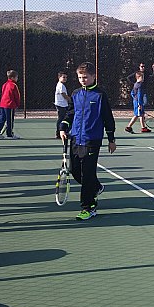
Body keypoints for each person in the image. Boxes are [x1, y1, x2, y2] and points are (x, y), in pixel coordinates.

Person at [60, 62, 116, 220]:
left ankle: (89, 207)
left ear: (93, 76)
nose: (82, 80)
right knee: (74, 170)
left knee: (87, 174)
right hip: (76, 139)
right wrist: (63, 127)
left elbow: (107, 118)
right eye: (79, 77)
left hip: (92, 140)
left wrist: (111, 139)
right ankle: (96, 187)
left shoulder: (100, 95)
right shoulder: (76, 93)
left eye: (85, 77)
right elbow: (70, 113)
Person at [0, 70, 21, 140]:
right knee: (10, 120)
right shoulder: (14, 85)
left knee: (1, 118)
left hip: (3, 104)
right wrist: (17, 104)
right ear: (12, 77)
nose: (17, 79)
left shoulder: (4, 84)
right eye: (16, 77)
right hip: (10, 105)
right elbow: (17, 96)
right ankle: (9, 134)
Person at [54, 71, 69, 139]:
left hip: (62, 104)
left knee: (62, 118)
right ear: (59, 77)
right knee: (61, 119)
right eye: (63, 77)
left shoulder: (61, 85)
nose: (65, 78)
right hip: (61, 105)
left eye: (66, 77)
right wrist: (71, 100)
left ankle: (62, 132)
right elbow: (64, 95)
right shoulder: (61, 85)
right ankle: (59, 133)